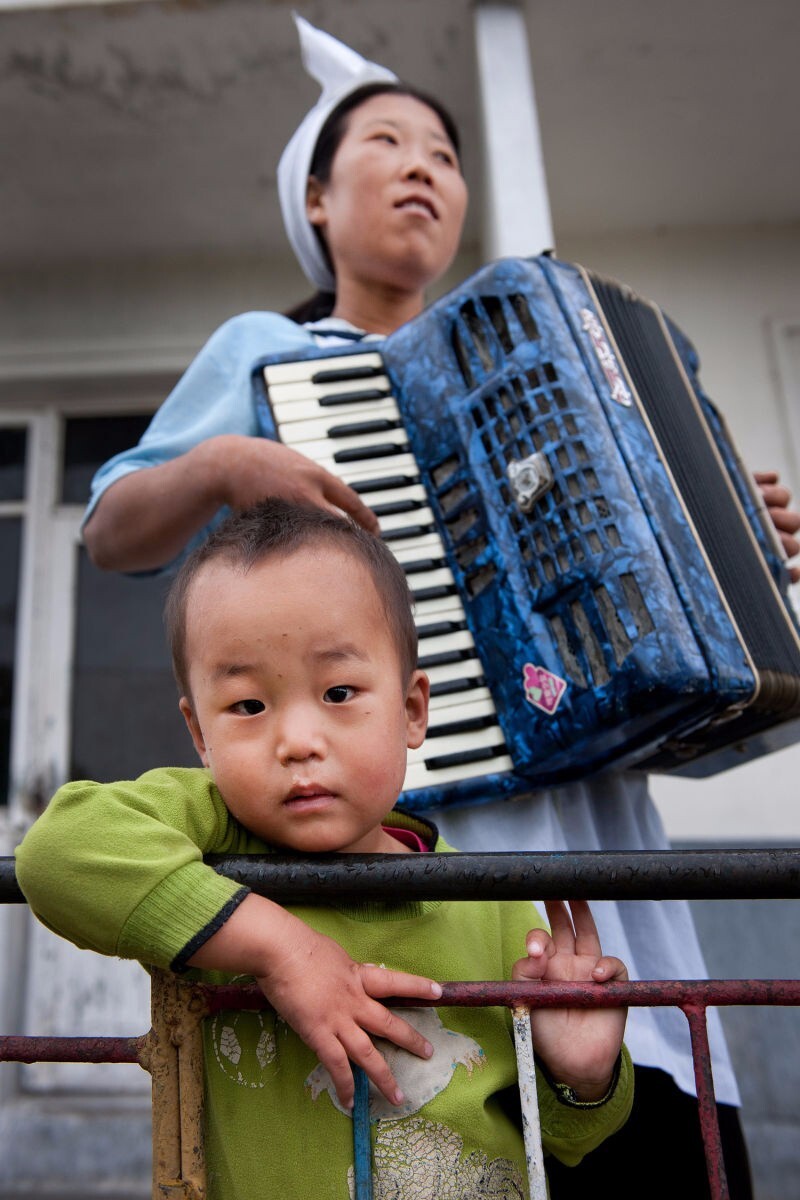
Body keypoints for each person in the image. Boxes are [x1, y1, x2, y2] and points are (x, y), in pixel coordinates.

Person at [68, 13, 800, 1198]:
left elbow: (623, 618)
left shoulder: (540, 366)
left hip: (597, 819)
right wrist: (221, 469)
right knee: (470, 1104)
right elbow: (110, 530)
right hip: (436, 834)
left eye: (445, 156)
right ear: (314, 200)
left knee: (638, 1090)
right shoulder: (272, 351)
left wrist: (717, 547)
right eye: (388, 143)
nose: (423, 167)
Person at [16, 498, 634, 1200]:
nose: (298, 740)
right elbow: (59, 851)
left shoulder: (488, 899)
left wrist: (579, 1077)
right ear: (198, 733)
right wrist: (283, 950)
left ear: (410, 711)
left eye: (340, 691)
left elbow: (569, 1140)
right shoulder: (211, 829)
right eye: (248, 706)